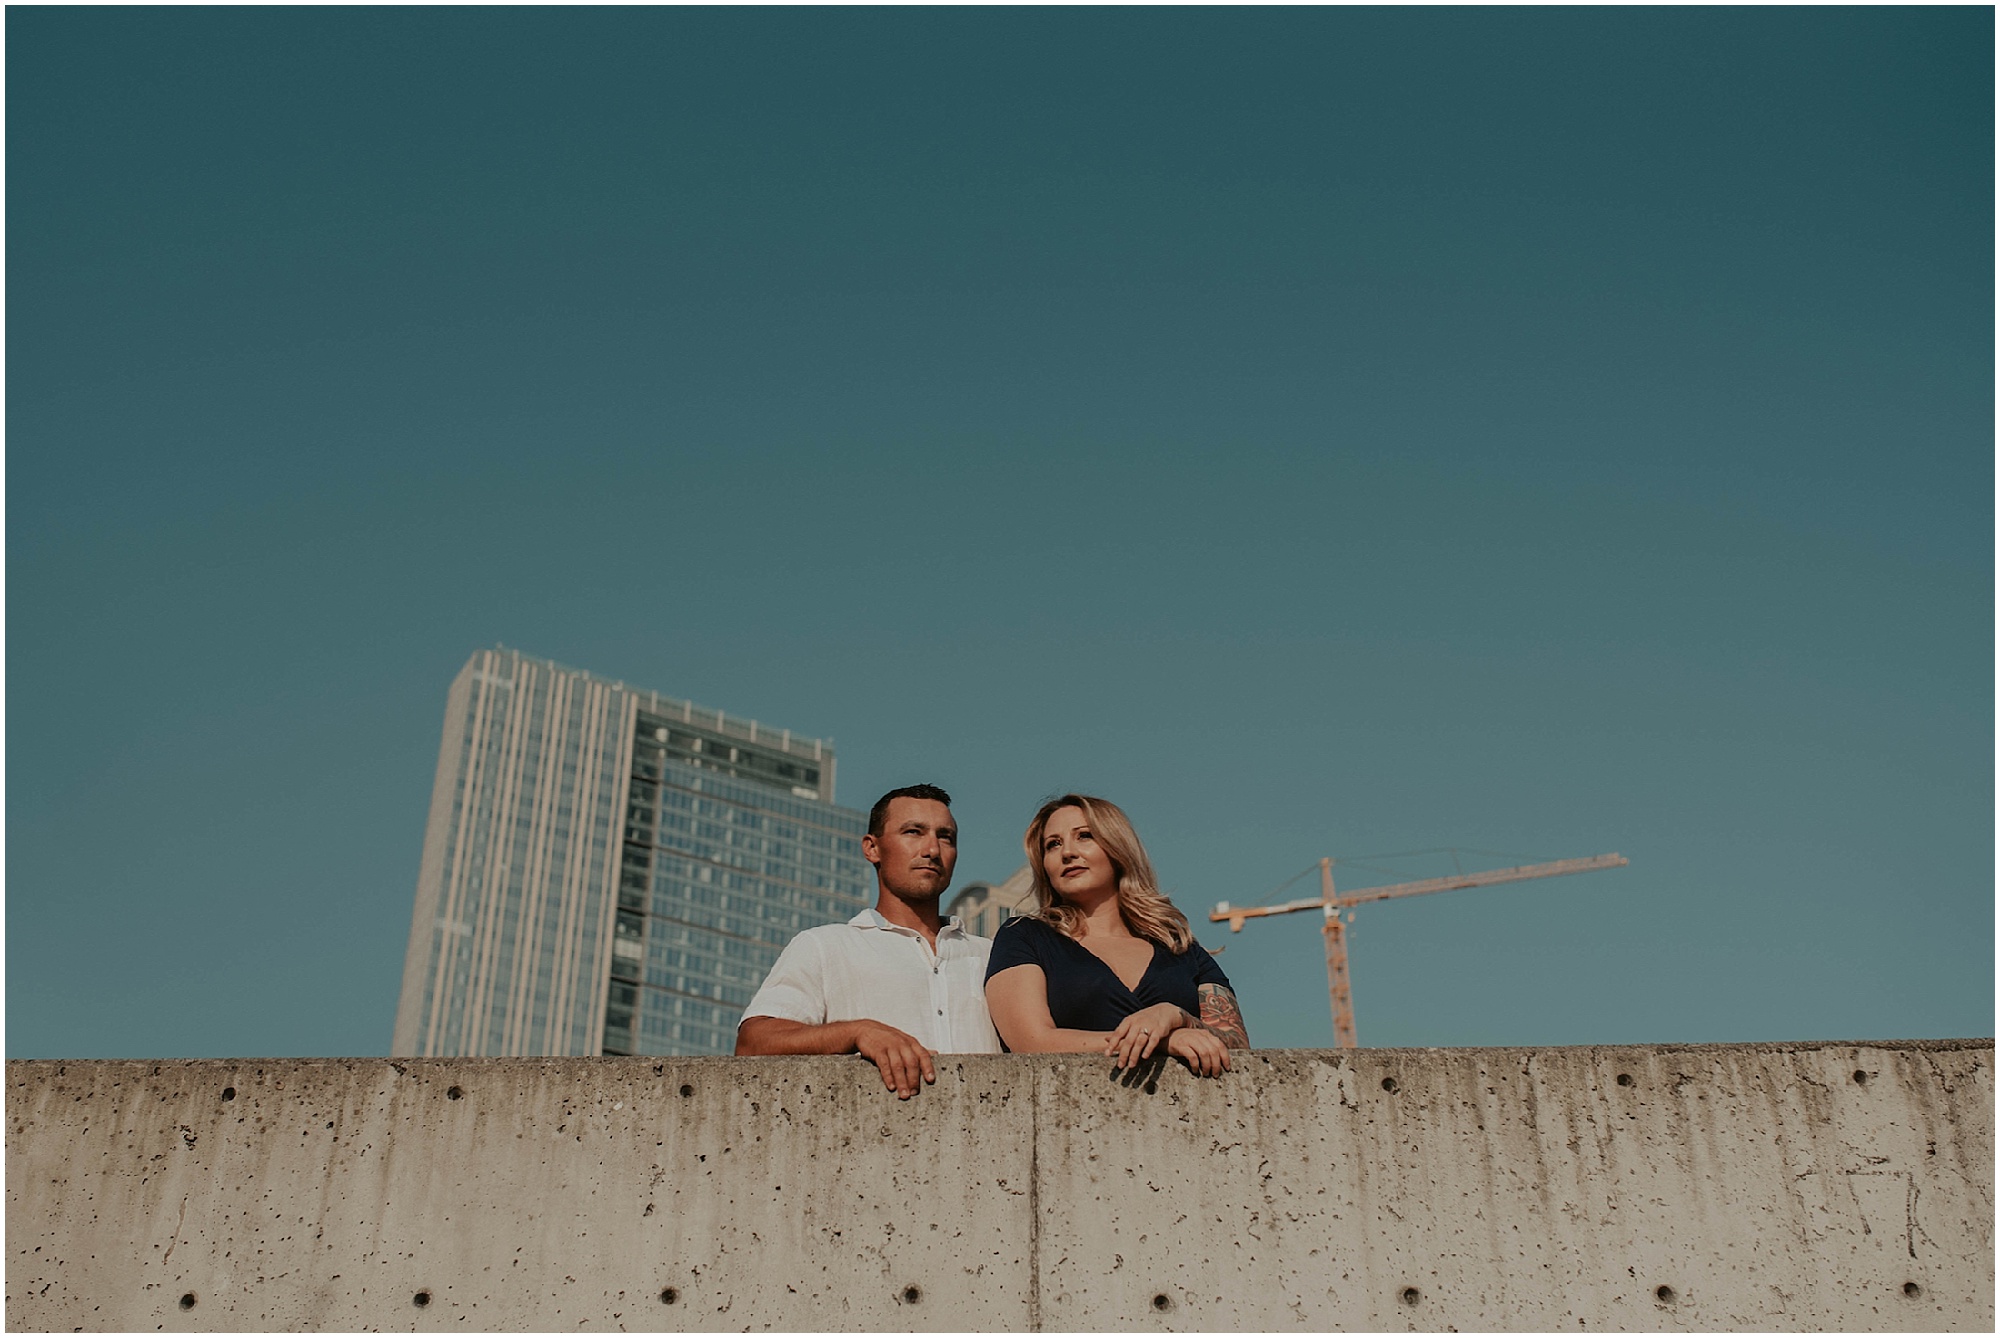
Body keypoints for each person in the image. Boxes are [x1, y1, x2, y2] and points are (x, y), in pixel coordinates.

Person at [736, 783, 999, 1098]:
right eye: (913, 832)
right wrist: (857, 1031)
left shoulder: (993, 954)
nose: (932, 849)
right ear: (872, 848)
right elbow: (753, 1042)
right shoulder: (826, 945)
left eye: (945, 837)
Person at [985, 793, 1249, 1077]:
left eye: (1084, 836)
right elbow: (1032, 1042)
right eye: (1053, 844)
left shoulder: (1180, 947)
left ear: (1117, 847)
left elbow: (1238, 1048)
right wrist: (1160, 1041)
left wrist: (1175, 1016)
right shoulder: (1024, 936)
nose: (1067, 852)